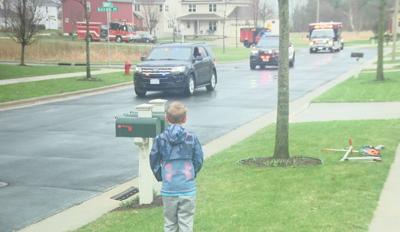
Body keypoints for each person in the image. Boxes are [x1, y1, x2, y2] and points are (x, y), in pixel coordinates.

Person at [150, 101, 204, 232]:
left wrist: (161, 175)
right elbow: (198, 159)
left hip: (169, 188)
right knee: (186, 222)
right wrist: (192, 173)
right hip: (187, 187)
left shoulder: (160, 139)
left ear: (167, 118)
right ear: (185, 118)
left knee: (170, 223)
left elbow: (154, 160)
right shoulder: (191, 138)